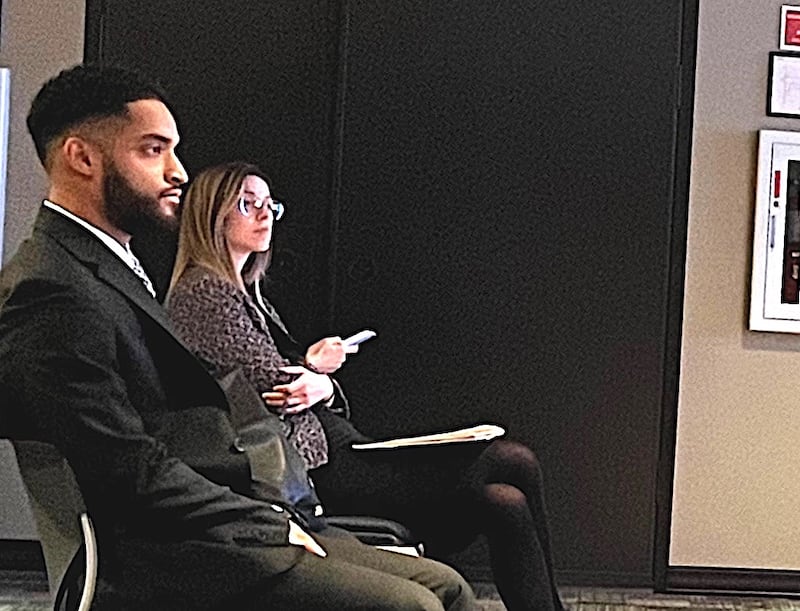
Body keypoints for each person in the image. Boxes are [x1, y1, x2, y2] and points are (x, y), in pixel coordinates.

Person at [0, 63, 478, 611]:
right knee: (412, 604)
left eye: (173, 150)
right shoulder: (49, 288)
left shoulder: (106, 264)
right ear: (82, 157)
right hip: (168, 556)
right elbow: (126, 473)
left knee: (446, 584)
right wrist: (263, 522)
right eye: (153, 151)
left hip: (216, 525)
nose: (178, 171)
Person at [166, 162, 566, 611]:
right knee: (513, 460)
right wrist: (315, 374)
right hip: (314, 470)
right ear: (210, 215)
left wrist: (320, 380)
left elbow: (304, 386)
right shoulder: (204, 293)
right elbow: (276, 385)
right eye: (248, 204)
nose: (264, 215)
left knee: (505, 500)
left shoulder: (247, 295)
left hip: (336, 452)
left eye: (270, 205)